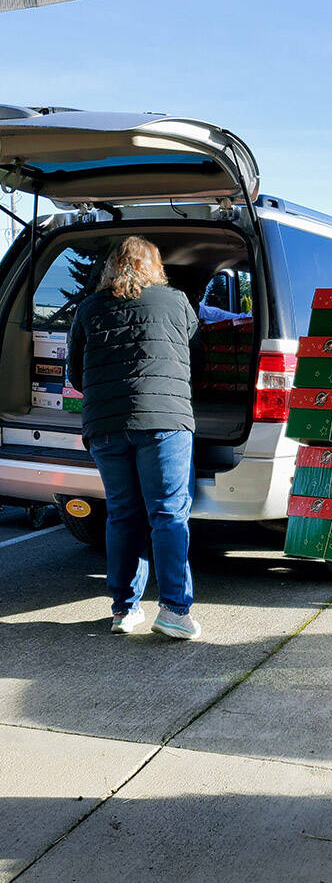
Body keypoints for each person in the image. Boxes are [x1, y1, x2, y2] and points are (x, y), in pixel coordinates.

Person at [67, 236, 202, 640]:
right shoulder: (175, 301)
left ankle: (125, 610)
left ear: (111, 267)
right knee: (168, 514)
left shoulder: (89, 308)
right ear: (156, 267)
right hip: (164, 420)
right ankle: (175, 610)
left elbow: (77, 373)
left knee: (123, 514)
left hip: (106, 425)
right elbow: (194, 354)